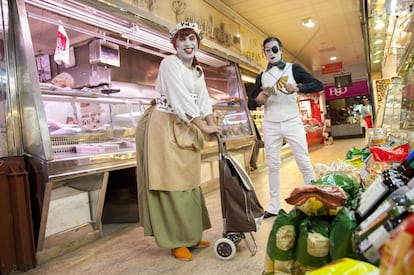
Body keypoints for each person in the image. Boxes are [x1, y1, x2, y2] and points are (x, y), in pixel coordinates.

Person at [135, 22, 220, 261]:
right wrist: (203, 127)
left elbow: (204, 102)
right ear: (175, 44)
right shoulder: (169, 63)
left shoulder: (197, 71)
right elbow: (180, 99)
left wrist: (210, 123)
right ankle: (175, 241)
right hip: (165, 127)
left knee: (190, 182)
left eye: (192, 38)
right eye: (182, 39)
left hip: (188, 127)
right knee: (171, 184)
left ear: (197, 43)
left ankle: (190, 236)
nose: (188, 43)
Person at [250, 37, 323, 219]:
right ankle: (274, 205)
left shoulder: (293, 69)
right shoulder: (262, 76)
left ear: (280, 49)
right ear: (264, 53)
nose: (271, 53)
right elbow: (252, 101)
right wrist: (260, 98)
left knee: (303, 160)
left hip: (292, 122)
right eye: (267, 50)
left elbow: (318, 85)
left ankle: (315, 199)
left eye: (274, 49)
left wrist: (297, 87)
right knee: (273, 165)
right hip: (270, 124)